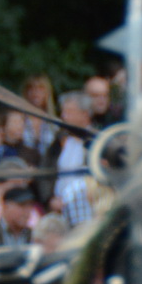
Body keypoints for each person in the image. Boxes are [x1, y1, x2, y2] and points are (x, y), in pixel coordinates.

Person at [53, 90, 98, 227]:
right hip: (59, 209)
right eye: (63, 112)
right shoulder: (60, 141)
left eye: (69, 112)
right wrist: (50, 198)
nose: (63, 116)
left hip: (86, 211)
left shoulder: (97, 142)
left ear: (85, 114)